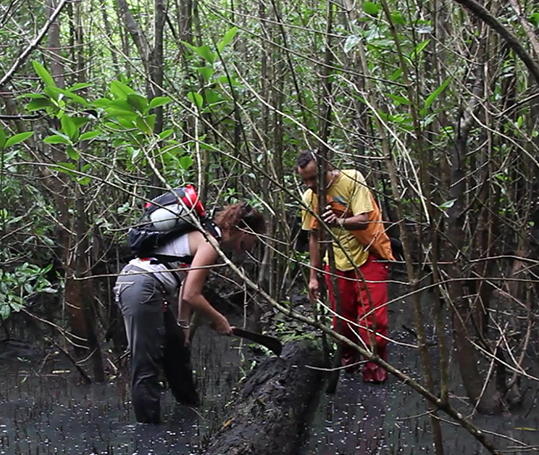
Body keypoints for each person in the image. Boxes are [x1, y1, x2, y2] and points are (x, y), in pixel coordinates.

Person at [114, 201, 267, 423]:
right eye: (256, 238)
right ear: (245, 230)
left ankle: (190, 409)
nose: (254, 246)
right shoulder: (210, 242)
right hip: (140, 286)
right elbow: (192, 295)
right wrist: (220, 319)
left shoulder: (206, 235)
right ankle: (147, 431)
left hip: (150, 288)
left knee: (177, 348)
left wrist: (183, 325)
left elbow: (187, 284)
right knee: (146, 362)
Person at [297, 149, 392, 384]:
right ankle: (348, 359)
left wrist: (338, 221)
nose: (310, 185)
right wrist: (313, 277)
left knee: (374, 320)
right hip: (336, 263)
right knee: (342, 320)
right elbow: (314, 238)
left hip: (368, 254)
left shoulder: (352, 179)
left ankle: (374, 369)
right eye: (305, 180)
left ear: (326, 167)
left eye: (313, 178)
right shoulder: (310, 198)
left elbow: (365, 219)